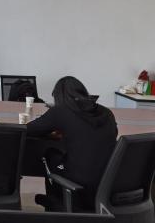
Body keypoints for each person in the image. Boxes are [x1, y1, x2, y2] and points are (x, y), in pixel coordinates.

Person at [26, 76, 117, 211]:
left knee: (50, 154)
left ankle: (56, 204)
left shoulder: (61, 111)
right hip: (108, 184)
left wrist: (53, 132)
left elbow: (29, 129)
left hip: (81, 186)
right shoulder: (107, 113)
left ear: (59, 97)